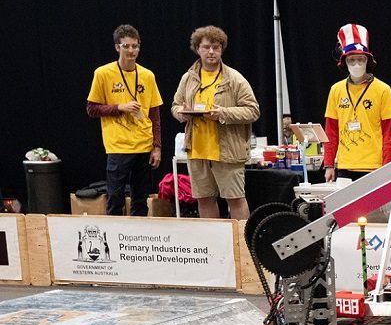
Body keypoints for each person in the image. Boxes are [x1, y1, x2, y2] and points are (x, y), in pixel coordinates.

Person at [171, 25, 260, 221]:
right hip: (197, 150)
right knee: (204, 199)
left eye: (216, 47)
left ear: (222, 49)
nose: (211, 52)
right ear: (197, 49)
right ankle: (212, 246)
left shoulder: (234, 79)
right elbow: (175, 105)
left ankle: (241, 246)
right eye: (206, 47)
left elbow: (253, 110)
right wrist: (182, 114)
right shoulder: (188, 78)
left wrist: (223, 113)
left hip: (227, 151)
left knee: (235, 199)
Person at [86, 24, 163, 216]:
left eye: (135, 46)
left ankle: (138, 240)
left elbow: (155, 115)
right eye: (126, 46)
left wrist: (157, 146)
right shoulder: (103, 73)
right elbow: (92, 109)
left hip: (144, 145)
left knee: (140, 199)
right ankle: (114, 241)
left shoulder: (147, 75)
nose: (131, 50)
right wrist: (119, 107)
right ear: (117, 47)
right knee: (115, 198)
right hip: (119, 146)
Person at [323, 24, 391, 182]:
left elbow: (389, 133)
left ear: (367, 60)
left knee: (375, 207)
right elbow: (331, 131)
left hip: (375, 166)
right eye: (352, 60)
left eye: (360, 59)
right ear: (345, 62)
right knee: (347, 207)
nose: (356, 64)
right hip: (345, 166)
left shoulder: (383, 89)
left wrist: (388, 166)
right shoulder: (336, 90)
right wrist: (329, 164)